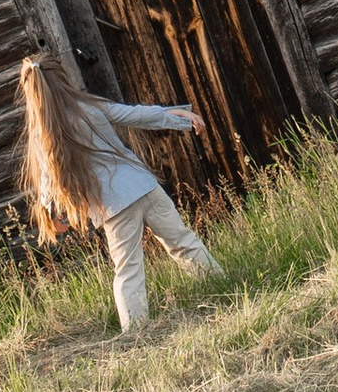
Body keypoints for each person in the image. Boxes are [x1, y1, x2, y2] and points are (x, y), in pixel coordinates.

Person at [15, 52, 225, 331]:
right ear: (62, 78)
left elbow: (47, 182)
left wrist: (53, 214)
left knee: (128, 270)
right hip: (144, 186)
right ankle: (224, 291)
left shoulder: (44, 133)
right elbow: (137, 114)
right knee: (183, 242)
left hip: (113, 206)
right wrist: (180, 117)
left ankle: (136, 333)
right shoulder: (90, 107)